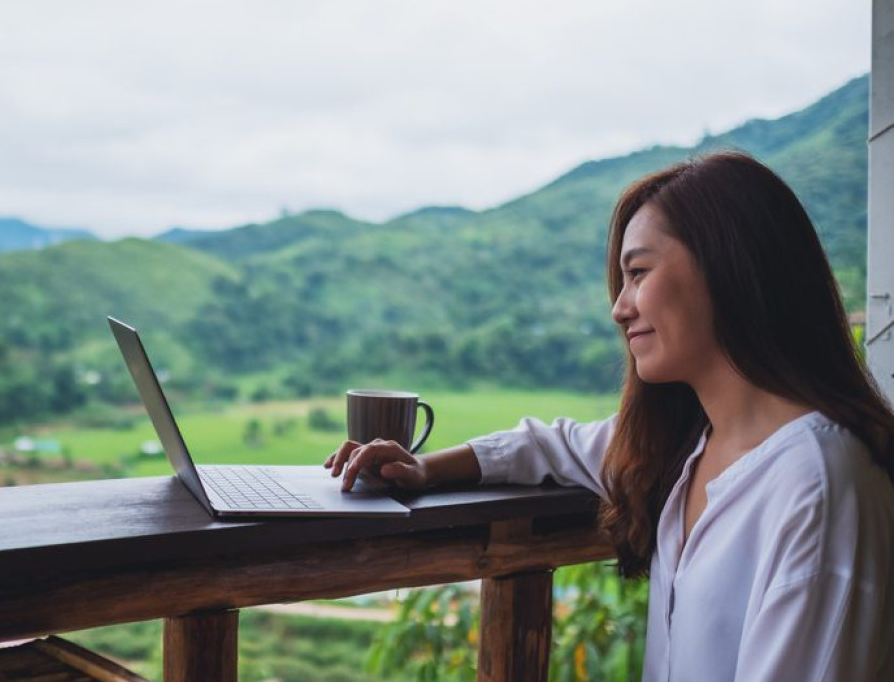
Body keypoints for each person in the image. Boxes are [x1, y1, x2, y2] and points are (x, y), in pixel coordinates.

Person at [326, 151, 894, 681]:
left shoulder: (817, 486)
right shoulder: (690, 446)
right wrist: (425, 471)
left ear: (729, 268)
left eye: (639, 273)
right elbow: (551, 445)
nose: (620, 308)